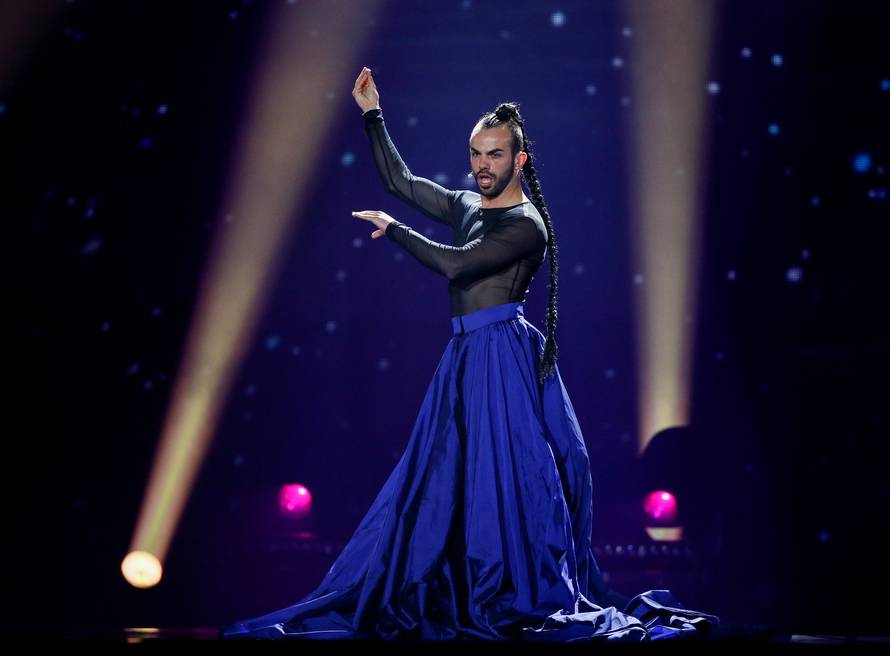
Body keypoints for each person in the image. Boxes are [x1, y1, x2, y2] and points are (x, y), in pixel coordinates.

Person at [220, 67, 719, 641]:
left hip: (501, 359)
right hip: (463, 355)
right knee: (439, 483)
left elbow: (457, 265)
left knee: (503, 483)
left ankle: (506, 588)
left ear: (520, 161)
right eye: (476, 154)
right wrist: (372, 115)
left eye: (495, 155)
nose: (483, 165)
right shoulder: (466, 204)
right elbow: (400, 182)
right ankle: (447, 585)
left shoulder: (527, 226)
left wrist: (396, 231)